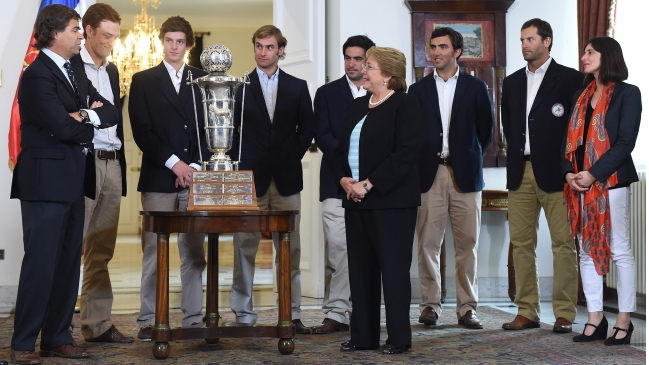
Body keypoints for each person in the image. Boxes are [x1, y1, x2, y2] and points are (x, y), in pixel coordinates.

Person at [9, 4, 118, 363]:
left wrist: (84, 113)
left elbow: (112, 111)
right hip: (44, 182)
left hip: (73, 179)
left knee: (69, 262)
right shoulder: (38, 74)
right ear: (55, 33)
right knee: (41, 263)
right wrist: (88, 118)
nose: (80, 34)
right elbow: (64, 127)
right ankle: (23, 343)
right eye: (75, 28)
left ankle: (57, 337)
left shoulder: (74, 70)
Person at [335, 46, 424, 355]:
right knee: (360, 270)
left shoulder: (405, 105)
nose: (362, 70)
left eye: (369, 66)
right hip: (356, 200)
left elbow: (406, 154)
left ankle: (399, 338)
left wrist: (369, 184)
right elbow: (341, 150)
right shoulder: (356, 106)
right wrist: (345, 179)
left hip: (391, 202)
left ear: (388, 74)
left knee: (393, 270)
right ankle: (363, 336)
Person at [228, 25, 315, 334]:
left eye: (269, 47)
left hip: (287, 179)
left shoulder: (298, 86)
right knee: (244, 247)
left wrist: (290, 156)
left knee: (289, 249)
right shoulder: (239, 85)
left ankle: (290, 315)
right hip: (249, 180)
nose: (263, 52)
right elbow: (231, 132)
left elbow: (307, 129)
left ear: (281, 50)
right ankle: (243, 315)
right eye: (258, 46)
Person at [128, 16, 209, 340]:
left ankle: (192, 320)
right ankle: (149, 320)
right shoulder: (143, 80)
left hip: (195, 178)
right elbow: (142, 132)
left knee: (194, 253)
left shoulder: (203, 80)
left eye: (180, 42)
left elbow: (210, 131)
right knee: (153, 253)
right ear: (161, 42)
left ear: (188, 45)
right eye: (169, 41)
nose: (174, 47)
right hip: (159, 179)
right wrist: (176, 164)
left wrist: (194, 169)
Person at [500, 18, 583, 332]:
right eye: (522, 40)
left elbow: (577, 129)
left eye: (530, 39)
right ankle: (527, 311)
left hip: (558, 173)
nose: (524, 45)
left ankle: (564, 313)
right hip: (520, 171)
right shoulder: (511, 82)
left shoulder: (571, 79)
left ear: (547, 41)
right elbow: (510, 125)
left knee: (563, 243)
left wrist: (570, 168)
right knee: (521, 243)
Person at [408, 27, 493, 329]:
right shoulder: (417, 90)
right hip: (428, 175)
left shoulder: (476, 87)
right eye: (432, 47)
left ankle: (467, 308)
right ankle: (430, 306)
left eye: (442, 46)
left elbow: (486, 131)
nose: (436, 52)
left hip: (465, 175)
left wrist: (467, 155)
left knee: (467, 245)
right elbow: (412, 134)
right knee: (428, 244)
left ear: (456, 52)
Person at [563, 37, 641, 345]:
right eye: (584, 52)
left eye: (590, 52)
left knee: (619, 248)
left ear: (606, 56)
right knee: (584, 249)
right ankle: (595, 317)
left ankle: (624, 320)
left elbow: (625, 142)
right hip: (579, 184)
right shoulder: (580, 95)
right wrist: (569, 173)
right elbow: (569, 142)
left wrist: (594, 174)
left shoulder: (627, 93)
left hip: (611, 181)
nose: (584, 57)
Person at [70, 3, 132, 344]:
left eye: (116, 37)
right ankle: (57, 328)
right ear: (88, 31)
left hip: (113, 164)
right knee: (71, 246)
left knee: (101, 249)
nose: (111, 42)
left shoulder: (112, 72)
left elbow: (112, 117)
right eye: (106, 36)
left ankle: (97, 324)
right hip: (83, 163)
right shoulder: (70, 68)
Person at [312, 35, 375, 334]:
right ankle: (336, 312)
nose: (352, 63)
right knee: (338, 248)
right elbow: (323, 135)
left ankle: (356, 311)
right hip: (336, 183)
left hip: (372, 185)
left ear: (368, 60)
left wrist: (365, 176)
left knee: (365, 249)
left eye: (358, 58)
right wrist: (345, 172)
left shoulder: (382, 92)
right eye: (348, 58)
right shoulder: (326, 93)